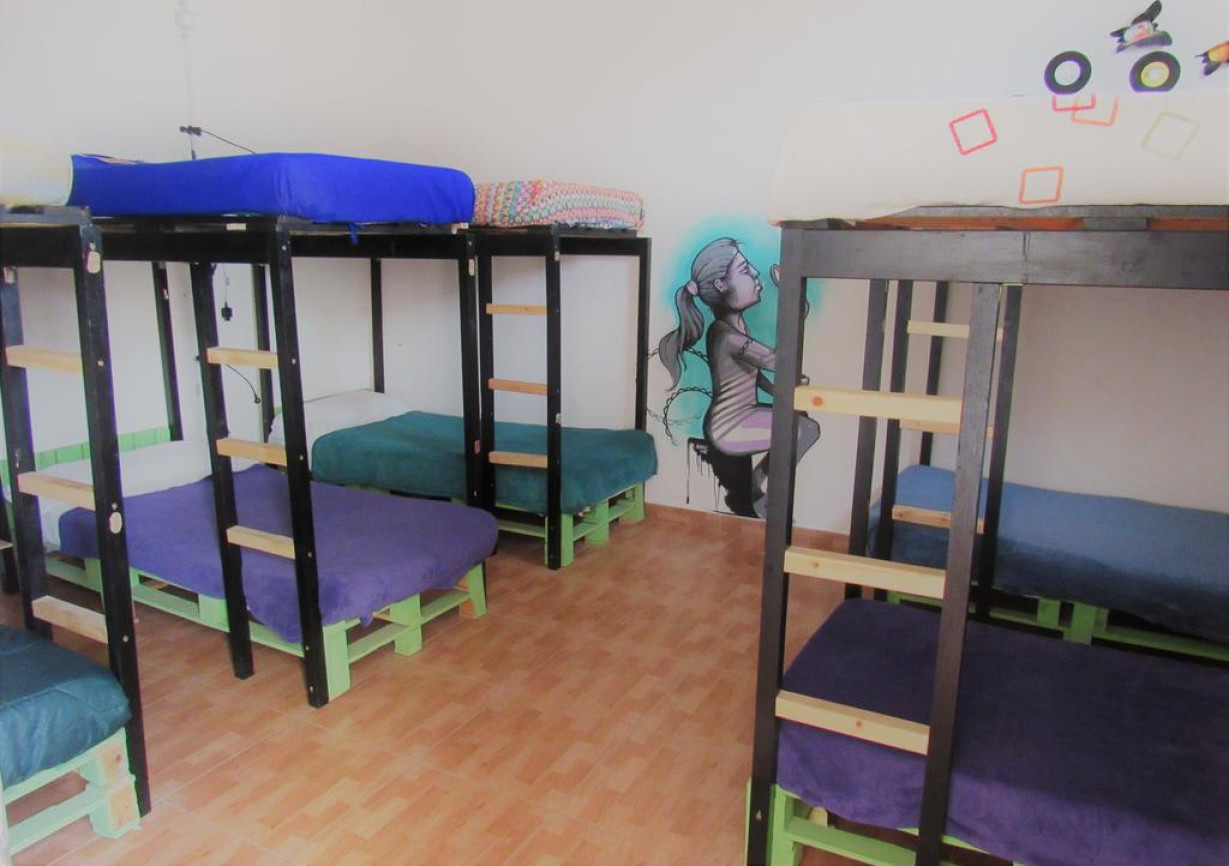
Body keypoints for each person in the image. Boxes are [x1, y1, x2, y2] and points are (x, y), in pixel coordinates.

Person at [658, 237, 819, 515]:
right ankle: (757, 486)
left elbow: (751, 376)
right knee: (805, 429)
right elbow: (778, 361)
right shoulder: (724, 334)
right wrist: (793, 299)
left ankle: (756, 485)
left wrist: (782, 392)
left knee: (802, 423)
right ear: (721, 285)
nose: (756, 273)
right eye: (745, 270)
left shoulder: (735, 327)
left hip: (742, 416)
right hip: (729, 427)